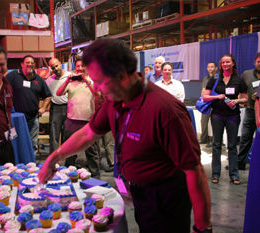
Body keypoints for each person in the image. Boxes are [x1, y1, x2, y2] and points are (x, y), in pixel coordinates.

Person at [39, 38, 212, 233]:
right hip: (139, 193)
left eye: (99, 81)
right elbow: (87, 134)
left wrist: (203, 227)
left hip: (164, 198)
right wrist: (54, 157)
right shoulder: (115, 100)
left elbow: (195, 171)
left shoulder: (165, 110)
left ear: (122, 76)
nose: (95, 89)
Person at [203, 54, 248, 185]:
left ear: (233, 63)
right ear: (221, 65)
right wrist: (216, 97)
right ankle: (215, 174)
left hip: (233, 116)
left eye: (228, 62)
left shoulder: (239, 80)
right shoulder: (215, 79)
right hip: (217, 115)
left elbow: (245, 98)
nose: (225, 64)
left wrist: (237, 100)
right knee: (216, 145)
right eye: (223, 62)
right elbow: (205, 97)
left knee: (232, 146)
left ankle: (234, 174)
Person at [56, 58, 101, 178]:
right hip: (71, 121)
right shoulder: (70, 82)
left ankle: (95, 174)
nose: (80, 68)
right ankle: (68, 173)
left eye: (82, 66)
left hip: (87, 121)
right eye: (77, 66)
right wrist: (66, 81)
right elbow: (58, 93)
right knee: (70, 150)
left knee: (91, 150)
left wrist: (86, 80)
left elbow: (98, 93)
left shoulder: (92, 81)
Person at [6, 55, 52, 156]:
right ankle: (14, 163)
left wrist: (43, 107)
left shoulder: (39, 80)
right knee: (13, 141)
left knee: (33, 144)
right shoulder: (12, 76)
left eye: (32, 63)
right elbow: (2, 89)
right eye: (27, 62)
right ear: (22, 64)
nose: (30, 65)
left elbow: (48, 95)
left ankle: (31, 164)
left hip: (33, 119)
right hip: (15, 120)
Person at [237, 52, 260, 170]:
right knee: (245, 138)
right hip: (250, 111)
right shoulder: (246, 74)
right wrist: (243, 99)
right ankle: (240, 163)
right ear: (255, 62)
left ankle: (256, 164)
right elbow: (241, 89)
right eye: (259, 61)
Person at [47, 58, 72, 154]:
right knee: (54, 135)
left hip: (68, 107)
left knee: (67, 134)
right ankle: (53, 159)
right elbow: (46, 96)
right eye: (53, 68)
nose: (56, 69)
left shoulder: (70, 76)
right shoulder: (49, 81)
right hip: (55, 108)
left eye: (56, 66)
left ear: (60, 64)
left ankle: (67, 158)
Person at [95, 93, 115, 172]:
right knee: (96, 143)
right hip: (95, 118)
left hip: (107, 119)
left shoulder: (108, 92)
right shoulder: (93, 91)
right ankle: (97, 162)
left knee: (109, 142)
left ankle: (112, 163)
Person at [200, 62, 218, 147]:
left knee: (214, 122)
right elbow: (203, 89)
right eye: (208, 67)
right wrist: (201, 99)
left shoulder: (218, 77)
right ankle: (203, 139)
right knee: (203, 121)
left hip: (215, 103)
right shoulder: (205, 78)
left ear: (216, 68)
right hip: (206, 103)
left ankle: (214, 140)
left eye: (212, 67)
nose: (210, 68)